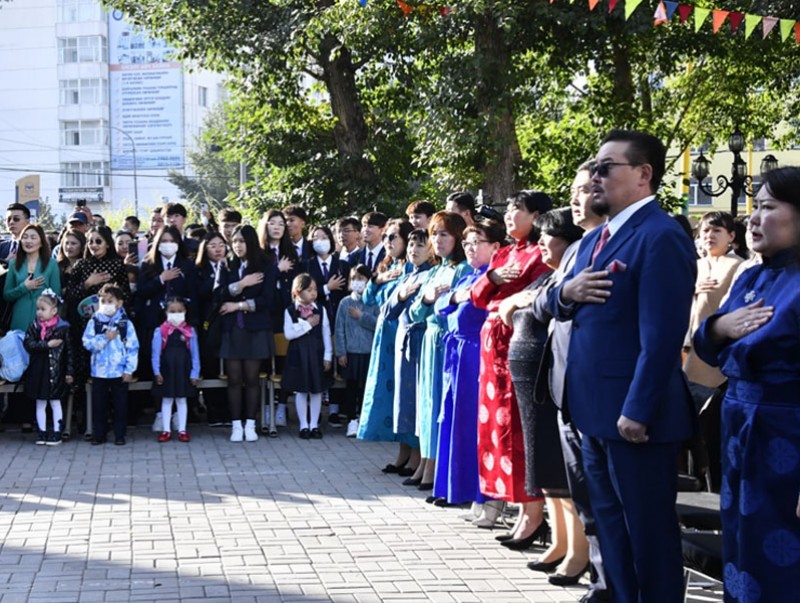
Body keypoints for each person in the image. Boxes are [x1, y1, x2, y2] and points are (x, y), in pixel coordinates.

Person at [550, 130, 696, 602]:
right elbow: (555, 300)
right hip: (590, 411)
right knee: (611, 533)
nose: (594, 176)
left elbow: (662, 337)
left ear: (643, 174)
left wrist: (638, 408)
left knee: (647, 537)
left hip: (634, 420)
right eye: (593, 167)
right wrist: (564, 294)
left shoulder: (661, 235)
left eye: (605, 167)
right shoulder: (597, 238)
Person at [692, 166, 800, 603]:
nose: (753, 219)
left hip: (786, 433)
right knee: (741, 543)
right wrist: (720, 327)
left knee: (782, 552)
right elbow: (707, 347)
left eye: (769, 207)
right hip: (740, 429)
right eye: (754, 207)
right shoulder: (753, 276)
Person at [531, 163, 609, 602]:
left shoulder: (642, 238)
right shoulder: (583, 247)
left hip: (606, 397)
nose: (577, 197)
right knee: (586, 499)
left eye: (585, 189)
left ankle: (611, 582)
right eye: (575, 190)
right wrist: (563, 293)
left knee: (609, 505)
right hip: (567, 391)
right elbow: (543, 302)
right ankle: (602, 582)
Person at [500, 208, 589, 585]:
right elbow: (506, 308)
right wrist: (519, 301)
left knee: (564, 472)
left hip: (556, 384)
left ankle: (579, 551)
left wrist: (523, 301)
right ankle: (559, 541)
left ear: (568, 241)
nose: (538, 243)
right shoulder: (548, 279)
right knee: (546, 470)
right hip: (533, 387)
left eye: (546, 236)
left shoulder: (571, 277)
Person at [470, 190, 552, 545]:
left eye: (517, 209)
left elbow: (533, 298)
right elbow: (477, 297)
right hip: (493, 349)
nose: (509, 215)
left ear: (536, 215)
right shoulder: (504, 253)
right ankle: (518, 509)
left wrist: (504, 295)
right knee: (496, 428)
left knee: (520, 429)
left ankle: (534, 513)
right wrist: (493, 279)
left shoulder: (542, 253)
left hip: (518, 344)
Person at [432, 221, 504, 514]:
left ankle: (484, 494)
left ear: (495, 246)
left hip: (478, 355)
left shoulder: (496, 277)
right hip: (457, 355)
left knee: (476, 425)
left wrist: (454, 299)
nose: (471, 248)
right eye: (467, 243)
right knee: (455, 421)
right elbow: (439, 307)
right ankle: (460, 489)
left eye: (477, 242)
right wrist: (453, 297)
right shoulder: (468, 277)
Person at [408, 211, 472, 491]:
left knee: (440, 406)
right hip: (428, 341)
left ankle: (437, 467)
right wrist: (428, 298)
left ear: (457, 237)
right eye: (434, 234)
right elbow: (414, 312)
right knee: (426, 404)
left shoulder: (462, 269)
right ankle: (426, 460)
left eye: (444, 234)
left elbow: (460, 313)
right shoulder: (435, 270)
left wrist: (439, 304)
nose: (437, 240)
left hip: (447, 342)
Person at [356, 220, 418, 469]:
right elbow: (367, 298)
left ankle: (414, 454)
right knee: (393, 396)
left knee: (407, 394)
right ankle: (402, 453)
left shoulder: (411, 266)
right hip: (385, 337)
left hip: (401, 333)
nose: (388, 242)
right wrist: (378, 280)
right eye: (386, 237)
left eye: (393, 237)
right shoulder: (387, 265)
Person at [214, 224, 277, 442]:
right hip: (232, 329)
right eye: (234, 241)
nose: (237, 245)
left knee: (252, 378)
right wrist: (240, 284)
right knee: (234, 378)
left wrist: (238, 306)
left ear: (250, 241)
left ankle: (250, 423)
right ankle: (236, 425)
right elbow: (218, 293)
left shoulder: (266, 265)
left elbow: (267, 300)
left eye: (241, 241)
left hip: (255, 328)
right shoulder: (226, 264)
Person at [387, 229, 434, 483]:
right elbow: (387, 312)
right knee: (403, 399)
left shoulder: (432, 274)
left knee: (417, 399)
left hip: (420, 341)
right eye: (412, 245)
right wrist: (401, 295)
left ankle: (418, 456)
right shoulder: (407, 274)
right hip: (402, 341)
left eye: (420, 245)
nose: (414, 250)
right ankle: (404, 452)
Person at [683, 211, 743, 410]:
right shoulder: (694, 266)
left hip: (722, 348)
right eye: (705, 230)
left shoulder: (739, 266)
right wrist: (691, 290)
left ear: (731, 236)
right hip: (691, 347)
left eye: (717, 230)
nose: (710, 235)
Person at [82, 283, 139, 446]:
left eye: (110, 301)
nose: (106, 304)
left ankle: (120, 434)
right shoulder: (94, 321)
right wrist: (104, 338)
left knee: (120, 406)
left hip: (119, 372)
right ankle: (99, 434)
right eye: (103, 301)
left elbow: (133, 348)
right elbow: (87, 343)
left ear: (119, 303)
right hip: (99, 372)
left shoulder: (125, 324)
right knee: (99, 405)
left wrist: (129, 370)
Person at [282, 273, 333, 439]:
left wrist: (328, 355)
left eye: (315, 290)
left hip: (316, 353)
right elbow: (289, 334)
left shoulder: (321, 309)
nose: (313, 293)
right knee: (301, 390)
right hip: (298, 354)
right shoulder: (290, 311)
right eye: (309, 290)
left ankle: (314, 425)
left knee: (317, 390)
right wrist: (307, 325)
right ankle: (303, 425)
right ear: (298, 292)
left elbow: (326, 332)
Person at [23, 289, 73, 445]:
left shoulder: (63, 328)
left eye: (43, 309)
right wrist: (47, 345)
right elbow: (28, 344)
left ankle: (57, 433)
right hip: (39, 370)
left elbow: (69, 352)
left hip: (56, 371)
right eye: (38, 309)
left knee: (55, 401)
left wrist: (69, 372)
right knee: (40, 402)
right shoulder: (34, 326)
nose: (39, 312)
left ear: (54, 310)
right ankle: (42, 432)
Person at [334, 264, 378, 437]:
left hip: (368, 352)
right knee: (351, 386)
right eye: (354, 278)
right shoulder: (345, 303)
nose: (357, 282)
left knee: (366, 387)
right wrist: (341, 352)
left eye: (361, 278)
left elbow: (378, 324)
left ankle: (364, 418)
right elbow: (339, 329)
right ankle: (352, 420)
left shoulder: (374, 302)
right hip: (351, 353)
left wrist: (361, 316)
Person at [152, 297, 201, 443]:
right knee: (167, 399)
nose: (176, 314)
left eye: (180, 311)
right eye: (172, 311)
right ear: (166, 312)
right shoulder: (160, 331)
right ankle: (166, 430)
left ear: (185, 312)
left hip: (183, 370)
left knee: (181, 399)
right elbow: (156, 353)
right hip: (166, 370)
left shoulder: (190, 331)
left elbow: (195, 354)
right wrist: (157, 371)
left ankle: (182, 429)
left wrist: (195, 372)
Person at [4, 224, 61, 331]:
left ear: (41, 242)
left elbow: (56, 296)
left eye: (33, 237)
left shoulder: (52, 264)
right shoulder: (13, 264)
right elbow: (7, 295)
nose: (28, 241)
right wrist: (24, 287)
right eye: (25, 237)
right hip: (19, 319)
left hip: (43, 322)